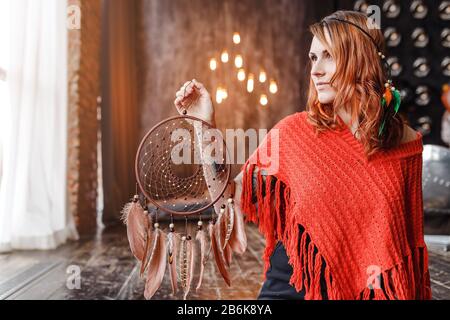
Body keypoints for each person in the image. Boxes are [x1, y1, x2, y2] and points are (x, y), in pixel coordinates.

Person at [173, 10, 432, 300]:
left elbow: (407, 253)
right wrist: (204, 127)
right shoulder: (294, 133)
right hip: (290, 292)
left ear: (360, 59)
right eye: (313, 58)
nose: (316, 70)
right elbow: (229, 196)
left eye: (328, 56)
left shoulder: (405, 144)